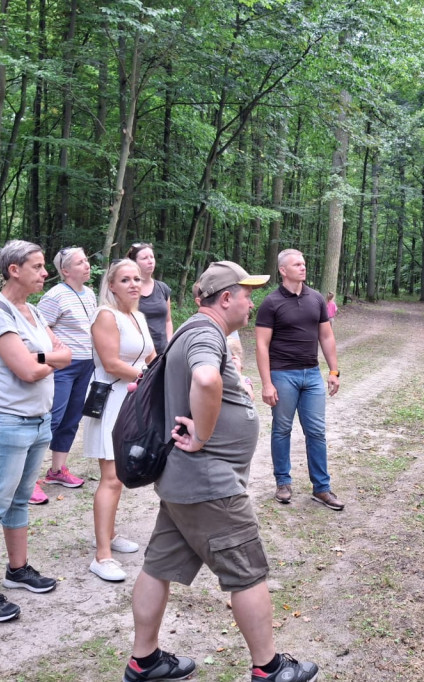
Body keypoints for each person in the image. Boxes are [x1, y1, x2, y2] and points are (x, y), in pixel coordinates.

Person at [124, 260, 319, 682]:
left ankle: (145, 660)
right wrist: (203, 434)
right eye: (247, 295)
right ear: (226, 298)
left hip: (184, 483)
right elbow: (207, 379)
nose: (252, 303)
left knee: (158, 566)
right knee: (248, 574)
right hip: (208, 484)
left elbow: (213, 381)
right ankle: (269, 669)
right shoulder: (205, 333)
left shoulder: (194, 329)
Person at [0, 240, 72, 622]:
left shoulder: (32, 313)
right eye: (38, 266)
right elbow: (26, 371)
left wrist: (39, 358)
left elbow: (64, 355)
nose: (45, 273)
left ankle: (17, 569)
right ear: (14, 270)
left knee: (20, 499)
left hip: (39, 419)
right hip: (7, 421)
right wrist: (45, 360)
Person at [84, 259, 156, 582]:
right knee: (111, 476)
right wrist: (150, 376)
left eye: (137, 279)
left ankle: (110, 534)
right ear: (111, 285)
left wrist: (158, 371)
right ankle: (102, 556)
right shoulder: (106, 315)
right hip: (112, 398)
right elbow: (112, 362)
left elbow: (151, 355)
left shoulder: (138, 316)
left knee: (123, 473)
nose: (133, 285)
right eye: (125, 280)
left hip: (135, 399)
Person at [255, 249, 343, 511]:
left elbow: (326, 337)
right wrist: (267, 383)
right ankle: (283, 483)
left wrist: (334, 371)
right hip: (283, 375)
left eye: (304, 263)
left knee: (316, 431)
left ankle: (322, 488)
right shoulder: (271, 303)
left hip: (312, 375)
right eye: (297, 264)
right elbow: (261, 345)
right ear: (283, 270)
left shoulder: (316, 299)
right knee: (281, 429)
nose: (303, 268)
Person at [32, 246, 96, 504]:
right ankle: (28, 480)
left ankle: (57, 470)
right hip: (63, 368)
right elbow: (39, 325)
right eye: (80, 262)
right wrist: (58, 349)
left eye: (86, 260)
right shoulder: (55, 295)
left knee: (71, 419)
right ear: (65, 270)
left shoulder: (90, 293)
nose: (87, 265)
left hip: (86, 365)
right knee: (52, 419)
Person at [127, 242, 174, 355]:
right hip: (138, 353)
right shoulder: (128, 290)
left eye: (152, 257)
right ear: (134, 263)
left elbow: (168, 321)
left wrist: (169, 343)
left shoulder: (163, 288)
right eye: (144, 258)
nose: (150, 261)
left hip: (162, 352)